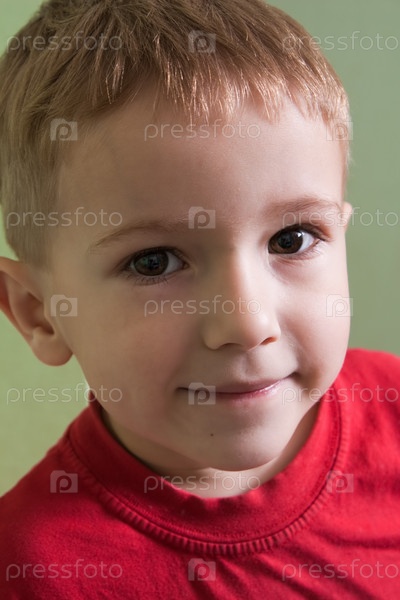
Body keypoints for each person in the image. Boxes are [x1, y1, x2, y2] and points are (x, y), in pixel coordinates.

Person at [0, 0, 399, 597]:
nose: (246, 324)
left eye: (291, 239)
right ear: (40, 314)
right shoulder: (32, 569)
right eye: (154, 262)